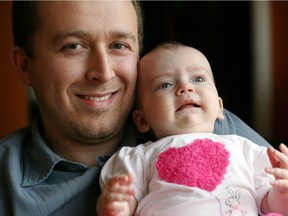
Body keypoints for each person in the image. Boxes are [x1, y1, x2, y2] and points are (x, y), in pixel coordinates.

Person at [0, 1, 270, 215]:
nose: (103, 73)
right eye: (74, 46)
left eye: (119, 45)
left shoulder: (211, 127)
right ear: (26, 66)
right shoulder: (5, 183)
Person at [97, 42, 288, 216]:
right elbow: (125, 201)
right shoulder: (140, 157)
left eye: (198, 78)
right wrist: (117, 205)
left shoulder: (245, 150)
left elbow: (269, 206)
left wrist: (282, 193)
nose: (185, 87)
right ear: (142, 120)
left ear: (219, 107)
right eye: (166, 84)